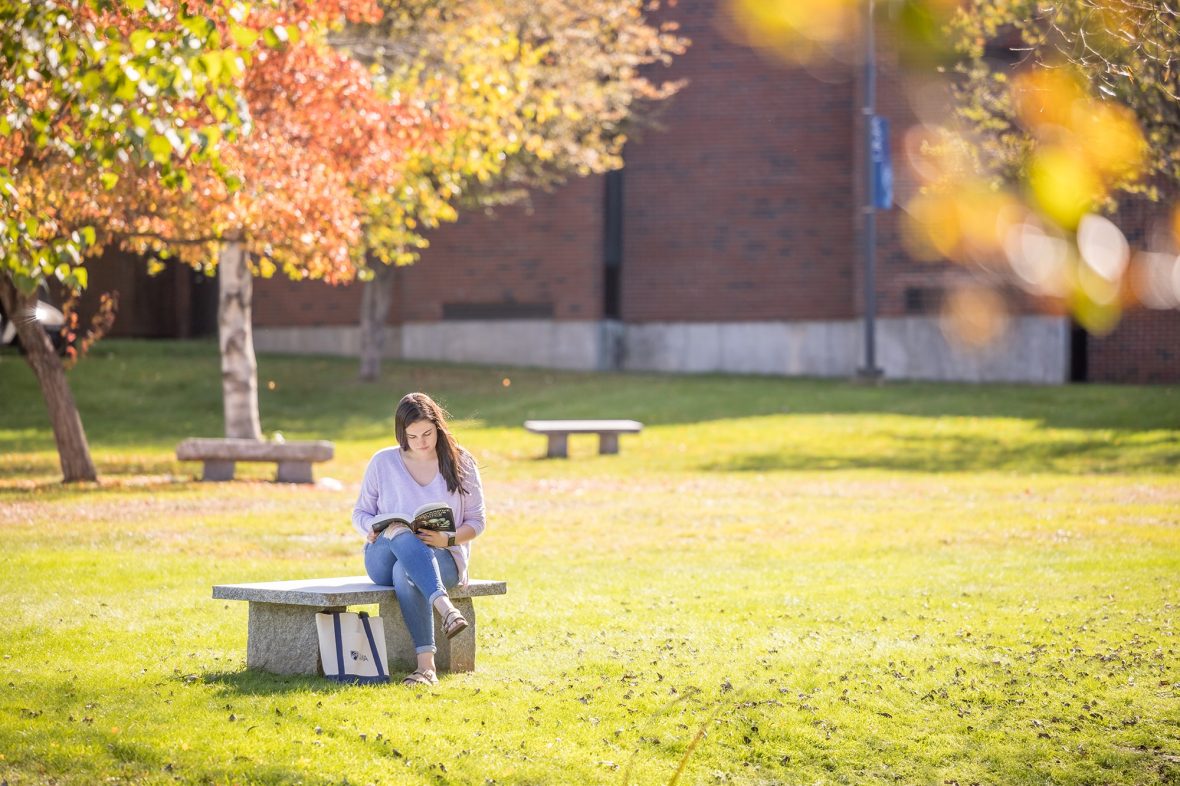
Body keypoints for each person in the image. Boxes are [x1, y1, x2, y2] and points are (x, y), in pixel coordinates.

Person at [353, 392, 487, 686]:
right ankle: (446, 609)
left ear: (438, 426)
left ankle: (426, 668)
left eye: (427, 433)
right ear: (402, 433)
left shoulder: (461, 461)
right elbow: (361, 512)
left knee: (407, 571)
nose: (422, 442)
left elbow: (477, 522)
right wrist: (370, 528)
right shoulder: (383, 462)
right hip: (382, 556)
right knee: (400, 532)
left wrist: (448, 541)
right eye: (412, 436)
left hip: (442, 556)